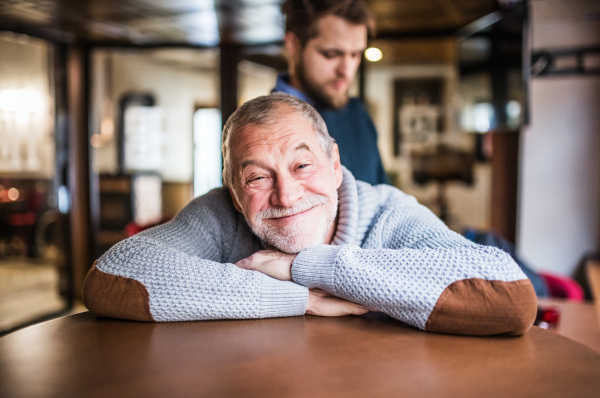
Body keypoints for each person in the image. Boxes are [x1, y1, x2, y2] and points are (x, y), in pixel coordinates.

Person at [83, 93, 536, 336]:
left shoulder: (387, 211)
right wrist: (300, 298)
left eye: (303, 166)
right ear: (235, 193)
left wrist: (301, 266)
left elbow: (510, 297)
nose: (286, 193)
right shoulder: (220, 213)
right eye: (258, 177)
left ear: (335, 165)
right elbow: (113, 275)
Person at [273, 0, 388, 185]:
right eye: (331, 54)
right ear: (294, 44)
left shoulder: (357, 112)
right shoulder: (263, 127)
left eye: (355, 54)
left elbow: (387, 197)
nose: (347, 71)